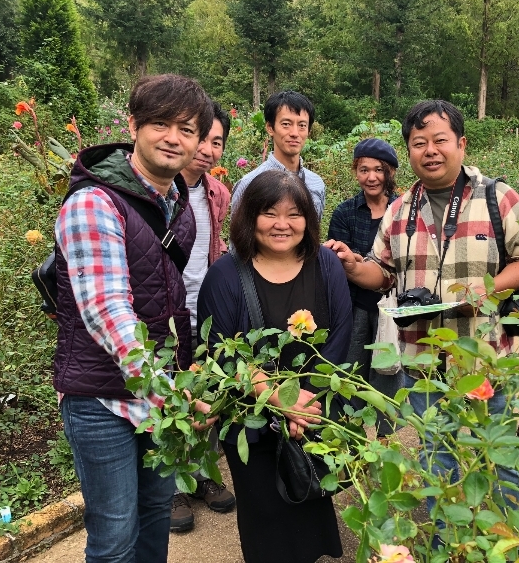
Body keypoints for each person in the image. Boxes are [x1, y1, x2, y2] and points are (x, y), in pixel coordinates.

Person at [324, 100, 519, 542]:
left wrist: (488, 289)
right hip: (423, 361)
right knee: (433, 454)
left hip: (487, 358)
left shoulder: (498, 197)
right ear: (408, 152)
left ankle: (506, 542)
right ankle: (446, 542)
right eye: (418, 143)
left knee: (496, 454)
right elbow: (381, 272)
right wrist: (351, 265)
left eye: (440, 140)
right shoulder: (400, 208)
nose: (430, 150)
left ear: (461, 144)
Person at [54, 74, 217, 562]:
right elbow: (109, 313)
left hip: (157, 393)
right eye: (160, 124)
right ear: (133, 125)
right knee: (115, 535)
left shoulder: (177, 203)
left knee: (155, 516)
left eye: (187, 129)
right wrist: (169, 390)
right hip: (102, 399)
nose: (173, 138)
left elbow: (168, 298)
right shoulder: (94, 202)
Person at [197, 170, 352, 563]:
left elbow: (338, 336)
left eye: (294, 214)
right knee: (266, 519)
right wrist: (279, 397)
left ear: (308, 220)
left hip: (311, 413)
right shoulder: (225, 276)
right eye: (269, 213)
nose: (282, 224)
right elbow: (220, 352)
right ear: (249, 218)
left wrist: (304, 403)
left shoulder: (327, 266)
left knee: (309, 502)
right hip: (251, 419)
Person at [170, 102, 236, 532]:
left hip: (205, 309)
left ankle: (204, 475)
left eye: (218, 141)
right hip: (166, 312)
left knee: (208, 390)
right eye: (203, 138)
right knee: (172, 392)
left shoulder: (218, 193)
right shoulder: (160, 190)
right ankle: (173, 486)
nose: (208, 149)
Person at [327, 138, 401, 437]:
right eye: (363, 169)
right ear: (355, 172)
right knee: (350, 371)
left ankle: (386, 442)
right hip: (356, 304)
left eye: (378, 170)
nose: (371, 177)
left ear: (390, 173)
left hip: (392, 306)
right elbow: (337, 262)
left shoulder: (403, 209)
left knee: (387, 375)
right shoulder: (345, 213)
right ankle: (353, 441)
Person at [230, 90, 325, 219]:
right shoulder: (249, 183)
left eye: (302, 125)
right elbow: (238, 237)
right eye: (286, 124)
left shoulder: (316, 183)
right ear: (270, 127)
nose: (295, 133)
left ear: (309, 130)